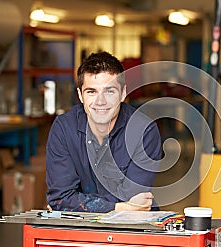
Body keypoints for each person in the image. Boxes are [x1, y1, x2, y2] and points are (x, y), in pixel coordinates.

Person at [46, 51, 162, 212]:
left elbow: (134, 198)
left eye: (109, 91)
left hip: (132, 225)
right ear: (80, 95)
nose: (100, 101)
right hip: (80, 227)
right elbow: (60, 198)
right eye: (91, 92)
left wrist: (72, 204)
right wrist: (119, 207)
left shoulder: (144, 131)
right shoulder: (64, 129)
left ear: (123, 93)